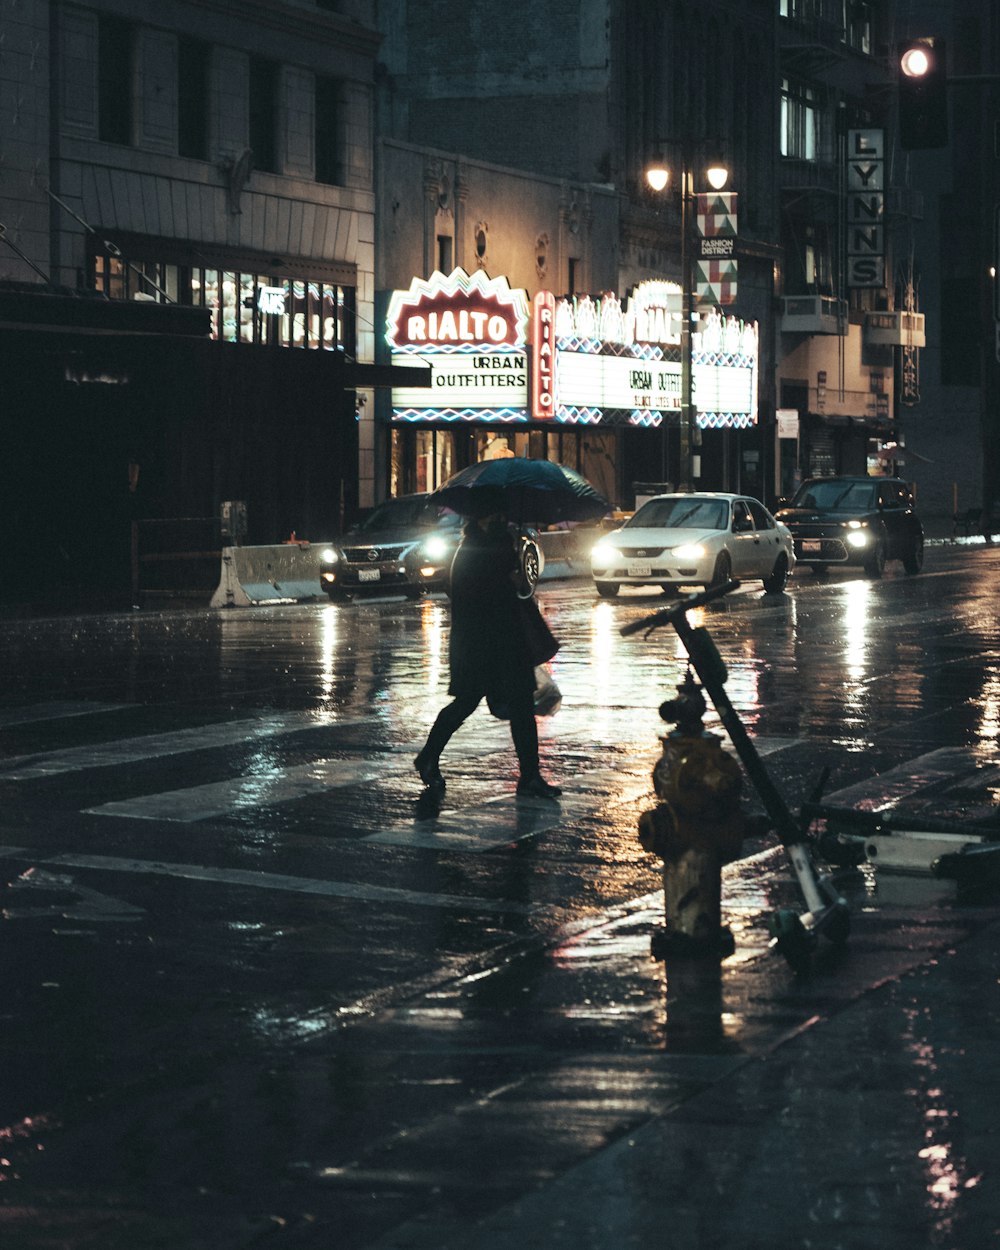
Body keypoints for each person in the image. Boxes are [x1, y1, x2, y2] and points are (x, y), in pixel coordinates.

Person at [415, 496, 561, 800]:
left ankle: (530, 776)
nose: (499, 519)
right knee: (465, 703)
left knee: (521, 707)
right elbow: (483, 595)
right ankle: (428, 756)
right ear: (481, 519)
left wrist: (515, 568)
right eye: (493, 514)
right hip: (480, 644)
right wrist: (510, 571)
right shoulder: (473, 551)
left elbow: (518, 591)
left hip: (506, 643)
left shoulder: (499, 545)